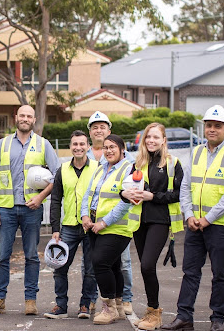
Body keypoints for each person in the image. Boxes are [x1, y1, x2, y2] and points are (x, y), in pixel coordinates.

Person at [161, 105, 224, 331]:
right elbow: (185, 186)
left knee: (219, 274)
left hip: (219, 226)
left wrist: (208, 218)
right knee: (190, 272)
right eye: (209, 126)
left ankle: (217, 319)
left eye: (217, 126)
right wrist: (188, 215)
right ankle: (184, 316)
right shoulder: (196, 153)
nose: (212, 130)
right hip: (194, 225)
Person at [0, 105, 60, 316]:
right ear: (15, 118)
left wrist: (40, 197)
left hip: (31, 209)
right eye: (22, 115)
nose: (25, 119)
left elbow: (57, 176)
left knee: (31, 257)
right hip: (6, 209)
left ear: (34, 119)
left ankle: (30, 300)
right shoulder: (3, 144)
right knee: (1, 256)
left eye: (29, 116)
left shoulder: (43, 144)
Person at [120, 123, 184, 330]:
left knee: (148, 265)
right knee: (145, 268)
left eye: (156, 137)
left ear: (164, 140)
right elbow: (127, 187)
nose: (151, 141)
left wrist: (152, 196)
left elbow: (178, 194)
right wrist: (127, 194)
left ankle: (155, 313)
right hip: (140, 221)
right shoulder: (137, 163)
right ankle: (151, 312)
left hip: (160, 220)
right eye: (148, 137)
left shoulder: (173, 164)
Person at [80, 134, 136, 325]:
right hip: (95, 226)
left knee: (100, 262)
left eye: (112, 147)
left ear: (122, 149)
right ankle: (119, 307)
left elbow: (126, 202)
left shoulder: (129, 169)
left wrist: (104, 222)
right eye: (105, 147)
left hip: (117, 227)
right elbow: (89, 194)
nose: (109, 151)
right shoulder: (100, 169)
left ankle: (108, 309)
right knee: (112, 266)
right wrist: (85, 216)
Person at [44, 130, 99, 320]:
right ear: (70, 147)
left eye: (82, 144)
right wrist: (55, 229)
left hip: (91, 227)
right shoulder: (62, 170)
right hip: (68, 227)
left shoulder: (98, 169)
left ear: (88, 147)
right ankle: (61, 305)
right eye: (75, 144)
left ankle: (85, 305)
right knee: (60, 267)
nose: (78, 147)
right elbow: (56, 200)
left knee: (91, 269)